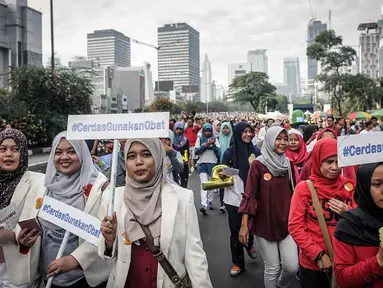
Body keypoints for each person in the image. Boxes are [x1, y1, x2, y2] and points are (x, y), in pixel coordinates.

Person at [98, 138, 213, 288]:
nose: (138, 162)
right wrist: (109, 240)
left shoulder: (183, 198)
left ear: (158, 157)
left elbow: (195, 256)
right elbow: (105, 257)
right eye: (131, 156)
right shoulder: (112, 199)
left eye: (146, 154)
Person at [33, 132, 111, 288]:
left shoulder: (100, 188)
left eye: (71, 151)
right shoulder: (43, 185)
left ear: (82, 153)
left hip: (85, 279)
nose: (64, 157)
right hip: (47, 277)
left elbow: (105, 234)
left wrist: (75, 260)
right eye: (58, 152)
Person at [288, 138, 355, 288]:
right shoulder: (304, 189)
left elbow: (363, 218)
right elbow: (295, 226)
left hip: (345, 263)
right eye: (329, 162)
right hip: (314, 266)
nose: (334, 167)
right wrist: (318, 255)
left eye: (338, 162)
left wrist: (349, 212)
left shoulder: (349, 186)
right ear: (318, 161)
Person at [239, 126, 298, 288]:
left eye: (285, 139)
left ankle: (280, 285)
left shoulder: (289, 165)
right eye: (279, 139)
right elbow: (250, 195)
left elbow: (296, 193)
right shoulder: (258, 165)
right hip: (263, 224)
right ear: (270, 140)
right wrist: (244, 225)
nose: (283, 143)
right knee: (273, 268)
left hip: (287, 223)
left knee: (292, 267)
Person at [0, 129, 45, 288]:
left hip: (15, 267)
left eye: (15, 149)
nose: (8, 154)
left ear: (24, 153)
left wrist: (13, 236)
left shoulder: (38, 182)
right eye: (3, 149)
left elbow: (37, 219)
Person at [334, 163, 383, 287]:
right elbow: (343, 279)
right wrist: (378, 261)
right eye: (377, 184)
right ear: (365, 186)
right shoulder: (349, 225)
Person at [221, 122, 257, 277]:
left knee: (250, 228)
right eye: (245, 131)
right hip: (233, 199)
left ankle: (249, 245)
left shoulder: (255, 151)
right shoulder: (229, 153)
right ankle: (238, 263)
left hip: (252, 199)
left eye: (250, 131)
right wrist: (225, 173)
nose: (248, 134)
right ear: (238, 133)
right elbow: (220, 171)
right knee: (235, 232)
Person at [195, 123, 221, 215]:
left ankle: (210, 201)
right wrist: (205, 145)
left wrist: (213, 145)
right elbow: (196, 151)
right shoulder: (200, 139)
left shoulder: (215, 140)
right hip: (202, 164)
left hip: (213, 164)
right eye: (205, 131)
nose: (207, 132)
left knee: (211, 184)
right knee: (204, 184)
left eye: (209, 131)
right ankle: (204, 204)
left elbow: (219, 153)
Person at [218, 121, 233, 212]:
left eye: (227, 128)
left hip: (231, 164)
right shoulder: (218, 139)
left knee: (230, 183)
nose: (225, 130)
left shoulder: (233, 138)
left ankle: (229, 203)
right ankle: (222, 203)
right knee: (222, 183)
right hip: (220, 164)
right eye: (223, 128)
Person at [172, 121, 190, 188]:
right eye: (177, 129)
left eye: (180, 129)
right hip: (173, 163)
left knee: (183, 184)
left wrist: (185, 161)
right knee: (174, 183)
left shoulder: (185, 140)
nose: (179, 131)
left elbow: (186, 152)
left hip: (183, 164)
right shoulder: (171, 139)